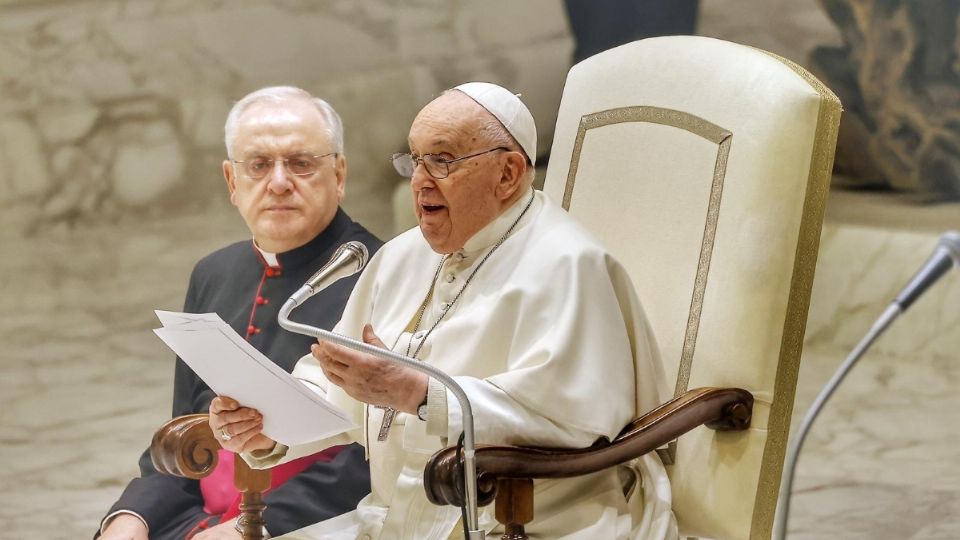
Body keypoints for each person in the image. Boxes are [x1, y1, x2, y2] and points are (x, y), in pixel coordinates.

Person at [212, 82, 677, 539]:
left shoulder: (568, 264)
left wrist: (420, 394)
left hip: (528, 521)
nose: (419, 181)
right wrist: (267, 425)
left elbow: (570, 420)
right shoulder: (400, 256)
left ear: (508, 174)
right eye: (414, 160)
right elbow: (336, 382)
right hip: (394, 516)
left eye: (442, 160)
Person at [98, 86, 379, 540]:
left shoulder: (384, 272)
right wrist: (132, 516)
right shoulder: (214, 273)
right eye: (258, 165)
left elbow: (377, 453)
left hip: (318, 521)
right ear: (232, 182)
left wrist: (249, 528)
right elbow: (185, 432)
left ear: (339, 173)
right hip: (207, 520)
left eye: (302, 163)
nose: (280, 181)